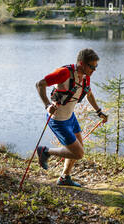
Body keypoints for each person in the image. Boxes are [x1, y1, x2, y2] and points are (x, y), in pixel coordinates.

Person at [35, 48, 108, 187]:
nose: (94, 70)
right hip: (58, 120)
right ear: (82, 63)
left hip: (71, 118)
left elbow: (89, 94)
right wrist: (47, 105)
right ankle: (45, 151)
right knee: (78, 153)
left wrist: (99, 112)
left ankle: (64, 177)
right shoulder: (64, 73)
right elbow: (39, 84)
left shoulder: (86, 77)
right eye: (92, 66)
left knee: (78, 148)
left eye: (96, 66)